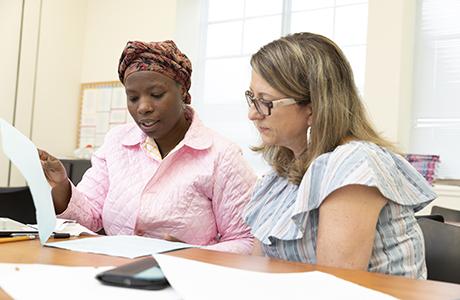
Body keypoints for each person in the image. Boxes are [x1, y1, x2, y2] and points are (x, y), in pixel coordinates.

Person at [242, 32, 436, 278]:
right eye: (252, 98)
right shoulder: (283, 172)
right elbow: (257, 271)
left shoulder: (355, 164)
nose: (253, 114)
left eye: (265, 102)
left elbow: (335, 285)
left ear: (313, 109)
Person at [39, 40, 256, 254]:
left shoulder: (222, 155)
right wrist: (61, 187)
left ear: (182, 91)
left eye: (156, 95)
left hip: (185, 279)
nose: (143, 107)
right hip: (114, 271)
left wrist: (192, 254)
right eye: (133, 98)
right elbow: (91, 217)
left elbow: (246, 240)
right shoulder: (116, 142)